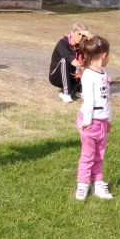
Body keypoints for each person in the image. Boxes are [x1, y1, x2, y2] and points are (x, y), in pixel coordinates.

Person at [74, 35, 113, 200]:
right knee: (88, 156)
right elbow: (89, 101)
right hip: (89, 123)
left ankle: (98, 184)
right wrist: (86, 122)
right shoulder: (88, 75)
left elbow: (106, 99)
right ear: (104, 55)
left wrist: (108, 120)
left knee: (99, 156)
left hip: (101, 123)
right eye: (109, 55)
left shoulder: (103, 73)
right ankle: (82, 185)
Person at [48, 21, 90, 103]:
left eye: (83, 35)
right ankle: (66, 93)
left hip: (70, 76)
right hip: (56, 76)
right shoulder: (62, 43)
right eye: (79, 34)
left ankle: (79, 89)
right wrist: (83, 66)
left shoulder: (81, 46)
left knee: (88, 61)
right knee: (65, 60)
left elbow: (96, 48)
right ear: (72, 33)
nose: (81, 37)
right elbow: (72, 60)